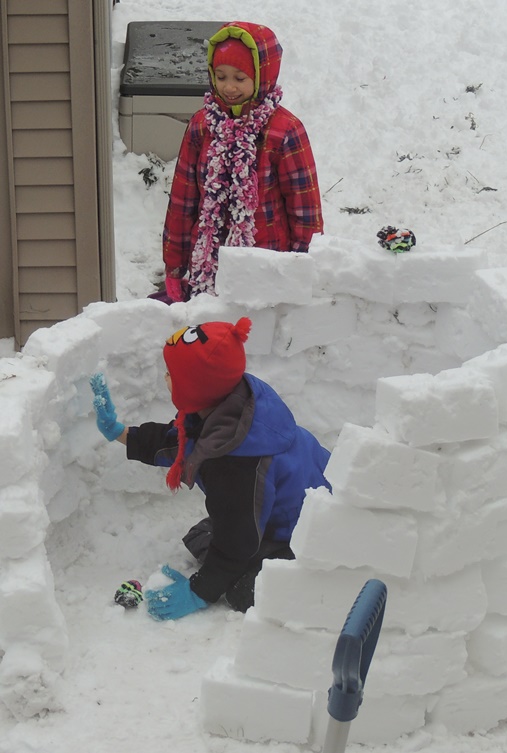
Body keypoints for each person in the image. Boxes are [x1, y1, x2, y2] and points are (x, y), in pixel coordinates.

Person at [90, 317, 330, 618]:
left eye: (172, 374)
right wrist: (120, 432)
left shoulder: (235, 462)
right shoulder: (236, 402)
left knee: (242, 591)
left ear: (194, 388)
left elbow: (236, 540)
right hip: (298, 499)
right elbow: (183, 442)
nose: (166, 376)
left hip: (309, 531)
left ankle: (309, 576)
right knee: (203, 536)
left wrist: (199, 591)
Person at [161, 21, 323, 301]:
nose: (228, 87)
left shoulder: (284, 130)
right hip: (208, 266)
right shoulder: (202, 125)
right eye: (221, 76)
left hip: (268, 263)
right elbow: (183, 200)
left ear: (263, 75)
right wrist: (174, 264)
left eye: (240, 78)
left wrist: (304, 266)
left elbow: (304, 207)